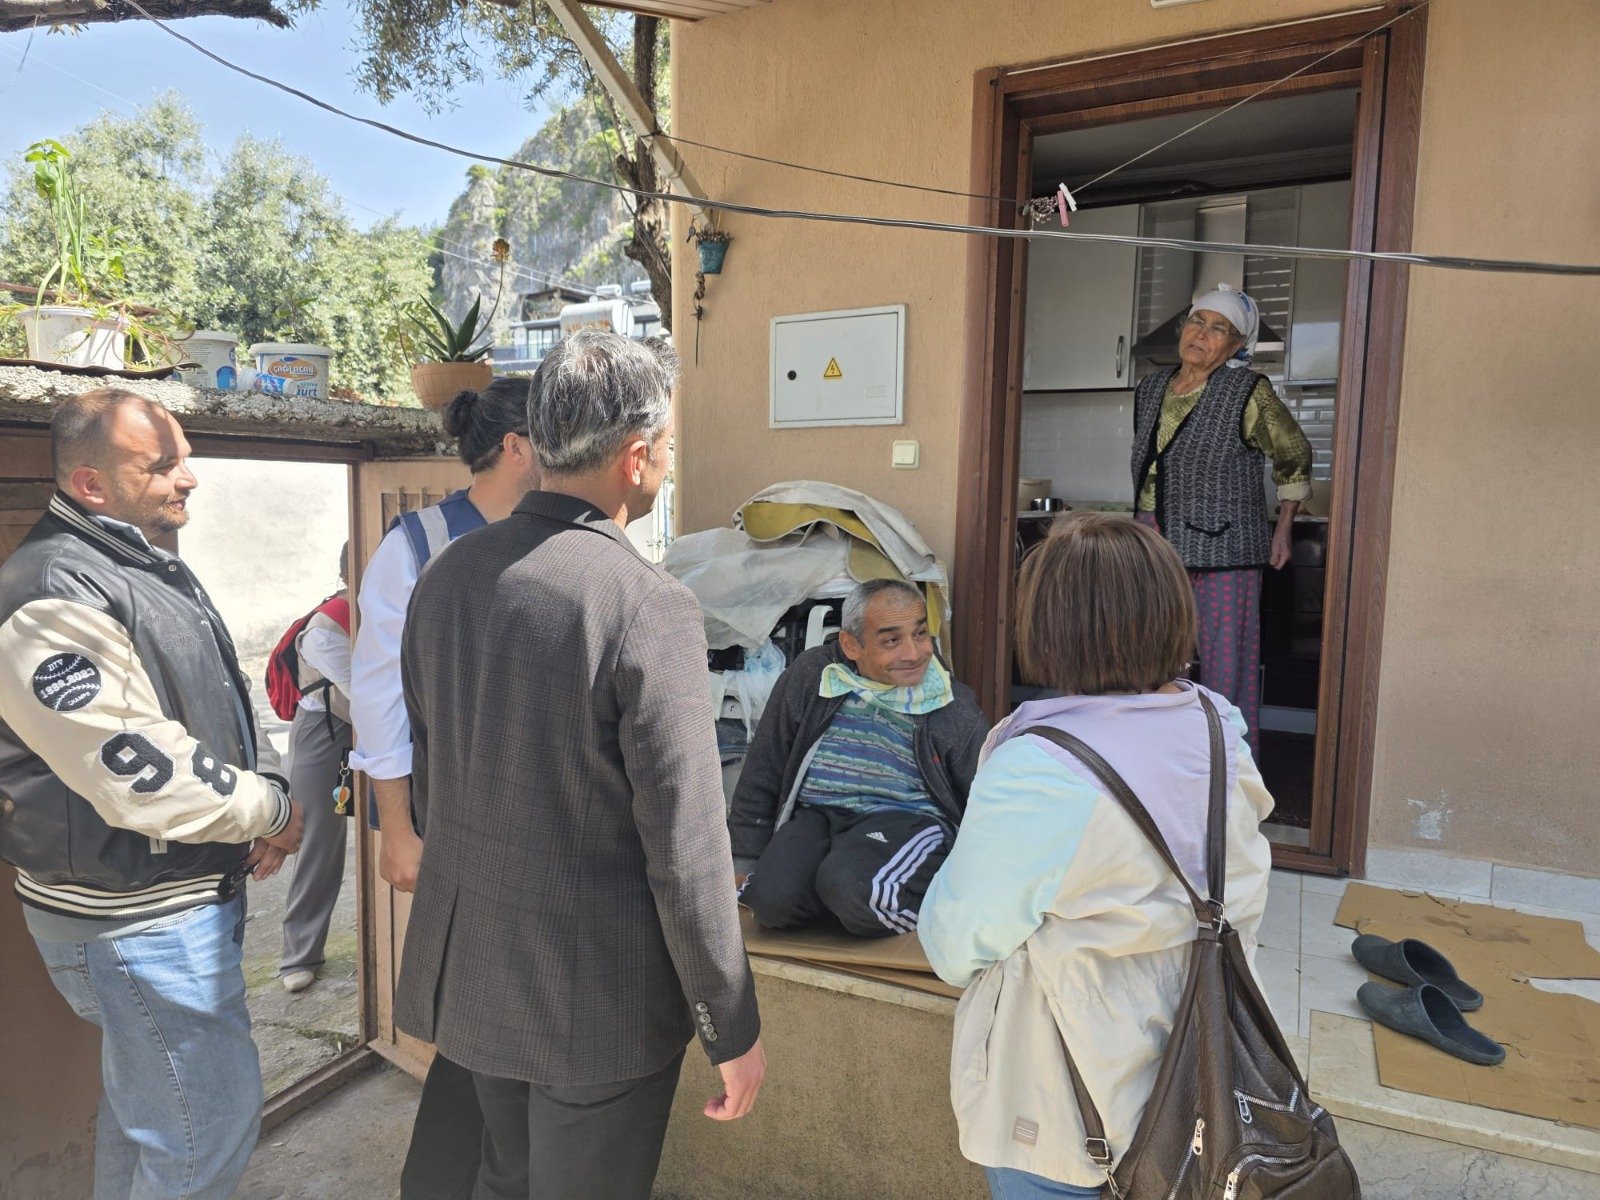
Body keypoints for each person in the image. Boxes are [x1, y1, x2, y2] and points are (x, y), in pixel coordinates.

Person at [394, 329, 765, 1200]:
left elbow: (435, 760)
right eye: (668, 445)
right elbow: (688, 848)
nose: (668, 462)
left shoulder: (447, 575)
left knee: (504, 1177)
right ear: (636, 457)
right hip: (594, 998)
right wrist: (731, 1024)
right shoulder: (647, 605)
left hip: (475, 972)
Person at [0, 389, 305, 1200]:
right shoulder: (54, 591)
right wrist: (272, 809)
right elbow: (140, 771)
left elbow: (208, 706)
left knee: (155, 1126)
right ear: (92, 485)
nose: (190, 477)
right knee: (202, 1136)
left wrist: (256, 791)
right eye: (162, 462)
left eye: (185, 456)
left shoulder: (134, 560)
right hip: (136, 923)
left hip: (157, 907)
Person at [918, 514, 1273, 1199]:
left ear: (1049, 624)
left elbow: (954, 944)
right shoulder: (1218, 725)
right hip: (1212, 1078)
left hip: (1076, 1113)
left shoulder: (1041, 767)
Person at [346, 378, 540, 1200]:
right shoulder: (420, 544)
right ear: (519, 446)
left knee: (497, 1012)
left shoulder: (562, 534)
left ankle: (463, 1178)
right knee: (478, 1009)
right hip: (457, 816)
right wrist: (397, 827)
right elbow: (379, 693)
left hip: (538, 816)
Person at [731, 578, 987, 937]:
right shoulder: (812, 675)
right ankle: (839, 898)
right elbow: (764, 766)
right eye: (891, 640)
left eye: (920, 634)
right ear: (851, 645)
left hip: (906, 821)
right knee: (770, 901)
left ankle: (866, 900)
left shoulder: (947, 700)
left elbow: (985, 791)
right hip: (818, 815)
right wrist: (744, 858)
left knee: (854, 888)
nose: (914, 653)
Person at [1130, 283, 1313, 752]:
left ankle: (1230, 763)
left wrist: (1284, 530)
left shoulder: (1249, 390)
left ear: (1235, 346)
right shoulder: (1151, 388)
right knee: (1152, 651)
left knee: (1225, 659)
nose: (1203, 334)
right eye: (1197, 321)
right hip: (1155, 538)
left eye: (1220, 329)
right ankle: (1162, 752)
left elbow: (1293, 454)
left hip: (1226, 544)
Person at [279, 543, 354, 993]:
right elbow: (365, 694)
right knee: (317, 838)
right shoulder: (329, 625)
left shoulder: (384, 608)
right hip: (326, 734)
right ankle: (299, 955)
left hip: (370, 726)